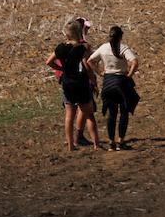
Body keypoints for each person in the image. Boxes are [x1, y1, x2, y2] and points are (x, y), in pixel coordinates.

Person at [51, 18, 100, 153]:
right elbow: (87, 66)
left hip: (67, 83)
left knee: (69, 115)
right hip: (81, 83)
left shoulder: (60, 48)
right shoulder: (81, 48)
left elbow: (48, 61)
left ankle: (70, 145)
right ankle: (96, 144)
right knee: (89, 114)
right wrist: (94, 82)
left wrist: (61, 69)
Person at [94, 24, 139, 149]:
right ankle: (121, 141)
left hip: (108, 82)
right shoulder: (123, 48)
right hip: (121, 82)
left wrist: (100, 72)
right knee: (124, 112)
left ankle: (111, 143)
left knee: (112, 113)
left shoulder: (103, 48)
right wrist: (129, 75)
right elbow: (134, 62)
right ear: (121, 37)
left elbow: (90, 61)